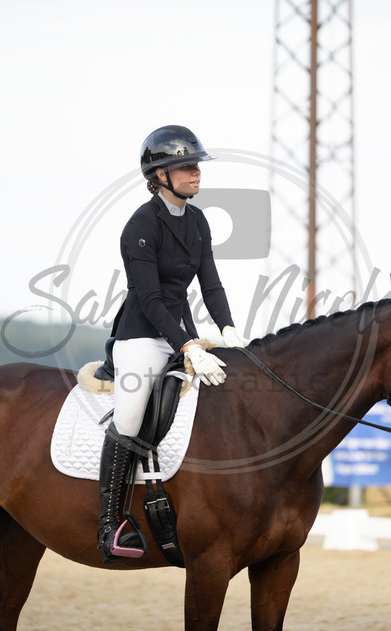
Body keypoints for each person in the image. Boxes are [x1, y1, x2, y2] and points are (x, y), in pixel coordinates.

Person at [97, 124, 244, 563]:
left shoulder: (198, 221)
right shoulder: (140, 226)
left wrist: (228, 329)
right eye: (186, 167)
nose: (196, 173)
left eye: (197, 165)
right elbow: (150, 299)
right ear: (160, 175)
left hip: (182, 333)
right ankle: (109, 523)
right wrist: (189, 347)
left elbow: (211, 284)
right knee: (129, 414)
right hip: (142, 336)